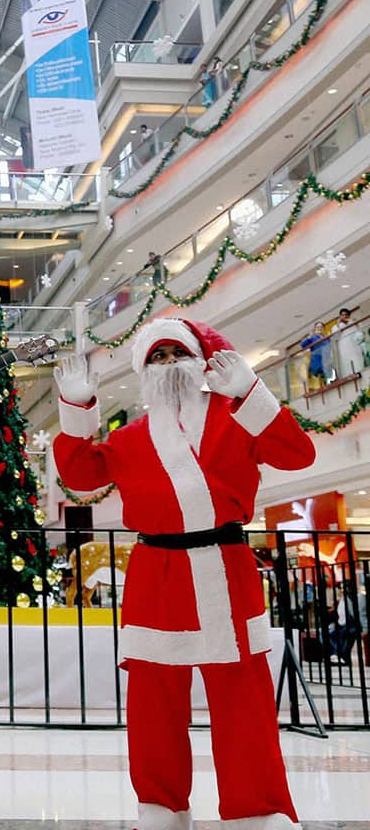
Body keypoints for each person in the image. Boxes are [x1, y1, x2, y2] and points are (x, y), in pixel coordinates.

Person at [52, 318, 315, 830]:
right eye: (158, 356)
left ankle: (255, 808)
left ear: (200, 361)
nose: (169, 364)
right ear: (143, 369)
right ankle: (160, 805)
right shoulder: (129, 437)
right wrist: (77, 411)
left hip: (226, 568)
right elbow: (82, 476)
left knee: (243, 699)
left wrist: (251, 393)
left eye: (178, 353)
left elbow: (297, 454)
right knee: (154, 702)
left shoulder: (236, 417)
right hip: (157, 572)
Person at [299, 320, 333, 387]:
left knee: (328, 374)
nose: (320, 328)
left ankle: (327, 385)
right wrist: (309, 338)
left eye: (321, 327)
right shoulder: (313, 337)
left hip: (326, 359)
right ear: (315, 329)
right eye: (318, 327)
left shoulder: (326, 338)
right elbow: (302, 345)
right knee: (321, 374)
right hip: (317, 360)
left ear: (323, 329)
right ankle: (323, 386)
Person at [334, 308, 366, 377]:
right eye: (342, 315)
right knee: (347, 369)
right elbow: (335, 337)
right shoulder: (336, 326)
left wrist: (356, 324)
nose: (344, 316)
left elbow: (360, 336)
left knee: (358, 367)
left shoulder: (353, 324)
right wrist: (338, 325)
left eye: (346, 315)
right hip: (344, 352)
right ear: (340, 316)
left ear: (349, 316)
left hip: (355, 351)